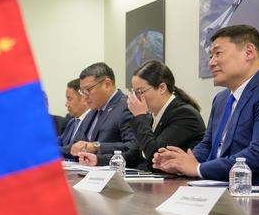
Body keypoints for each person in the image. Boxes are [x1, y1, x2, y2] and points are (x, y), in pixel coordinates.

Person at [154, 25, 259, 185]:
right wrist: (180, 163)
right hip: (215, 187)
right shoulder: (221, 98)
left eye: (218, 54)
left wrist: (198, 168)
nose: (211, 63)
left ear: (249, 52)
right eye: (210, 56)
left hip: (253, 191)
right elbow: (208, 145)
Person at [77, 60, 205, 170]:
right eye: (133, 92)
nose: (135, 97)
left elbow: (153, 154)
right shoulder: (152, 115)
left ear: (162, 88)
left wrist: (140, 116)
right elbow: (135, 154)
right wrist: (98, 160)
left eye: (139, 91)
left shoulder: (184, 114)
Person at [69, 62, 137, 158]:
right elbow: (77, 145)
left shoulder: (127, 106)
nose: (84, 96)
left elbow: (132, 147)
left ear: (107, 85)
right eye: (82, 91)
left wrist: (96, 146)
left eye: (88, 89)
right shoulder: (93, 111)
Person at [58, 78, 93, 158]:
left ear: (84, 99)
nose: (66, 104)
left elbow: (74, 149)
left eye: (69, 99)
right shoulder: (72, 122)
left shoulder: (93, 121)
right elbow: (59, 141)